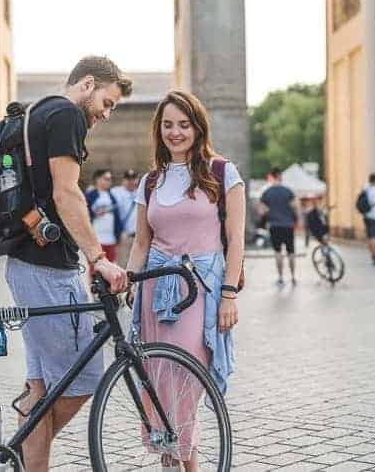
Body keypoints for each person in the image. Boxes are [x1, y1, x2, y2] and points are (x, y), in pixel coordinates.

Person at [3, 56, 132, 472]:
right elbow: (67, 193)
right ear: (88, 84)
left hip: (30, 265)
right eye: (107, 103)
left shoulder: (39, 110)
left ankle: (19, 460)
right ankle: (13, 456)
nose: (106, 114)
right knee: (85, 378)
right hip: (45, 271)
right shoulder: (66, 115)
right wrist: (100, 258)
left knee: (40, 389)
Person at [127, 90, 244, 471]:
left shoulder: (222, 173)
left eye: (184, 124)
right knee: (158, 379)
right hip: (154, 288)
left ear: (198, 126)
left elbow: (237, 239)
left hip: (200, 287)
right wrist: (128, 282)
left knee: (186, 378)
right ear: (158, 130)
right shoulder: (150, 181)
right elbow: (141, 241)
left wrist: (229, 294)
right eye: (168, 125)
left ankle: (181, 463)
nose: (175, 132)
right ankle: (171, 462)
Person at [258, 167, 299, 287]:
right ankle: (293, 277)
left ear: (272, 177)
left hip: (274, 226)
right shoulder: (288, 191)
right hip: (288, 225)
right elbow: (295, 206)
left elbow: (261, 210)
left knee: (278, 252)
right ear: (280, 177)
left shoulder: (267, 192)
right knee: (291, 252)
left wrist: (268, 214)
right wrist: (295, 219)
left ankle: (281, 278)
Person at [85, 169, 123, 271]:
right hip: (96, 239)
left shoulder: (112, 196)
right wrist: (94, 214)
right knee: (95, 269)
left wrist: (118, 235)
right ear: (98, 179)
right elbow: (83, 215)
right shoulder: (90, 196)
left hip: (110, 239)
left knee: (110, 268)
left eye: (110, 179)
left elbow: (117, 218)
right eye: (106, 179)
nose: (109, 182)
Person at [111, 169, 140, 266]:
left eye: (133, 179)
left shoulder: (141, 192)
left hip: (139, 236)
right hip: (124, 235)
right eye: (128, 179)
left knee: (138, 265)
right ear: (123, 180)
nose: (131, 181)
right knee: (123, 264)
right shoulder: (115, 192)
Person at [363, 173, 375, 266]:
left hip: (366, 216)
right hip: (374, 216)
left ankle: (372, 255)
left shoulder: (366, 188)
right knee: (374, 236)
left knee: (369, 236)